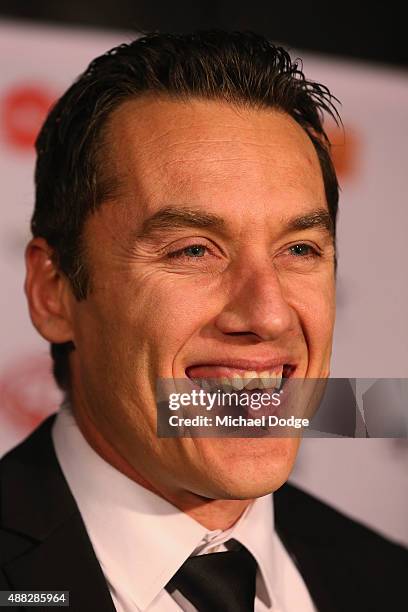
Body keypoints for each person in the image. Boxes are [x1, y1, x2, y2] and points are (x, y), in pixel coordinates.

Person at [0, 31, 406, 612]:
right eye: (193, 250)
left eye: (300, 250)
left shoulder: (388, 582)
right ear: (53, 292)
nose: (266, 315)